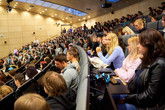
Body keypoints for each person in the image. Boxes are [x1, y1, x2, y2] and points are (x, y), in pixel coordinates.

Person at [117, 29, 165, 110]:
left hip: (147, 106)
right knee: (113, 97)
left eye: (140, 43)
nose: (137, 46)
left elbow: (149, 97)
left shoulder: (159, 64)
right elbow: (133, 83)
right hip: (138, 99)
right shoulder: (146, 60)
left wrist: (127, 99)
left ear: (149, 44)